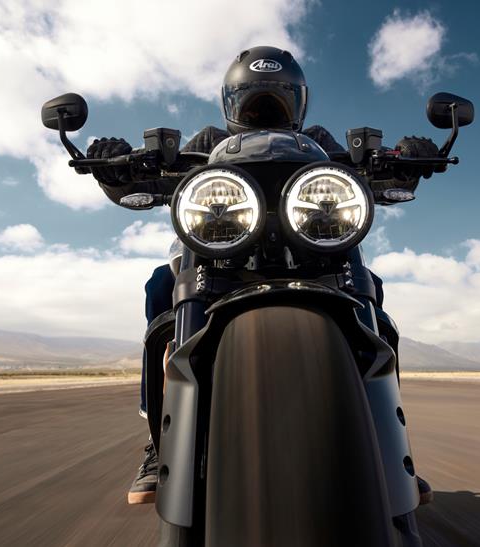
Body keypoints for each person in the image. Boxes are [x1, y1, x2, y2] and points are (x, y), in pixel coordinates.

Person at [86, 46, 436, 506]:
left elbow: (368, 176)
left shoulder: (319, 141)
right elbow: (150, 182)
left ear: (298, 102)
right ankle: (158, 438)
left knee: (374, 290)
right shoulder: (206, 140)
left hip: (315, 255)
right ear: (231, 102)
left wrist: (405, 158)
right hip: (218, 255)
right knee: (160, 286)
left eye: (276, 99)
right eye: (252, 99)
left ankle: (388, 445)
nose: (264, 108)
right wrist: (116, 167)